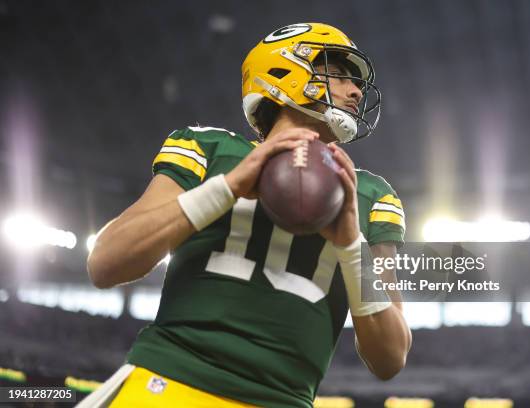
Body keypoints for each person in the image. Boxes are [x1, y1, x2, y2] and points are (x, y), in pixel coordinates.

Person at [80, 22, 411, 408]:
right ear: (284, 70)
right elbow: (105, 263)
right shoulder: (209, 149)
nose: (355, 90)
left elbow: (391, 357)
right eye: (338, 74)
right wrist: (227, 188)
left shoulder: (372, 196)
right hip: (169, 383)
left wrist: (352, 244)